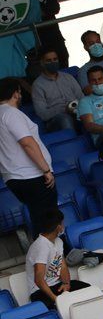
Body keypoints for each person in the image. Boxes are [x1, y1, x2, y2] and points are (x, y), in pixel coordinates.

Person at [0, 78, 58, 237]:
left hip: (12, 177)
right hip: (32, 175)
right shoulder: (11, 114)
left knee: (40, 218)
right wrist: (45, 169)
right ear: (16, 93)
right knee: (48, 221)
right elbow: (27, 143)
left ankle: (53, 256)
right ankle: (48, 259)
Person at [26, 209, 91, 309]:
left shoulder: (59, 241)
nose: (63, 226)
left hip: (57, 285)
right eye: (62, 223)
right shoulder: (40, 246)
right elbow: (39, 281)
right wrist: (56, 299)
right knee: (58, 309)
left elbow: (62, 266)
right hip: (40, 292)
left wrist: (66, 283)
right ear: (58, 227)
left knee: (87, 290)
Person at [31, 46, 82, 132]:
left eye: (55, 59)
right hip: (56, 119)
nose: (53, 62)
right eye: (49, 60)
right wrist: (64, 109)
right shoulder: (37, 85)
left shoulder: (68, 77)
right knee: (65, 119)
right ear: (42, 63)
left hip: (77, 111)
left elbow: (81, 97)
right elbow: (42, 114)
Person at [37, 0, 69, 68]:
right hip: (36, 42)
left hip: (54, 37)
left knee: (63, 64)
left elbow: (55, 8)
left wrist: (35, 14)